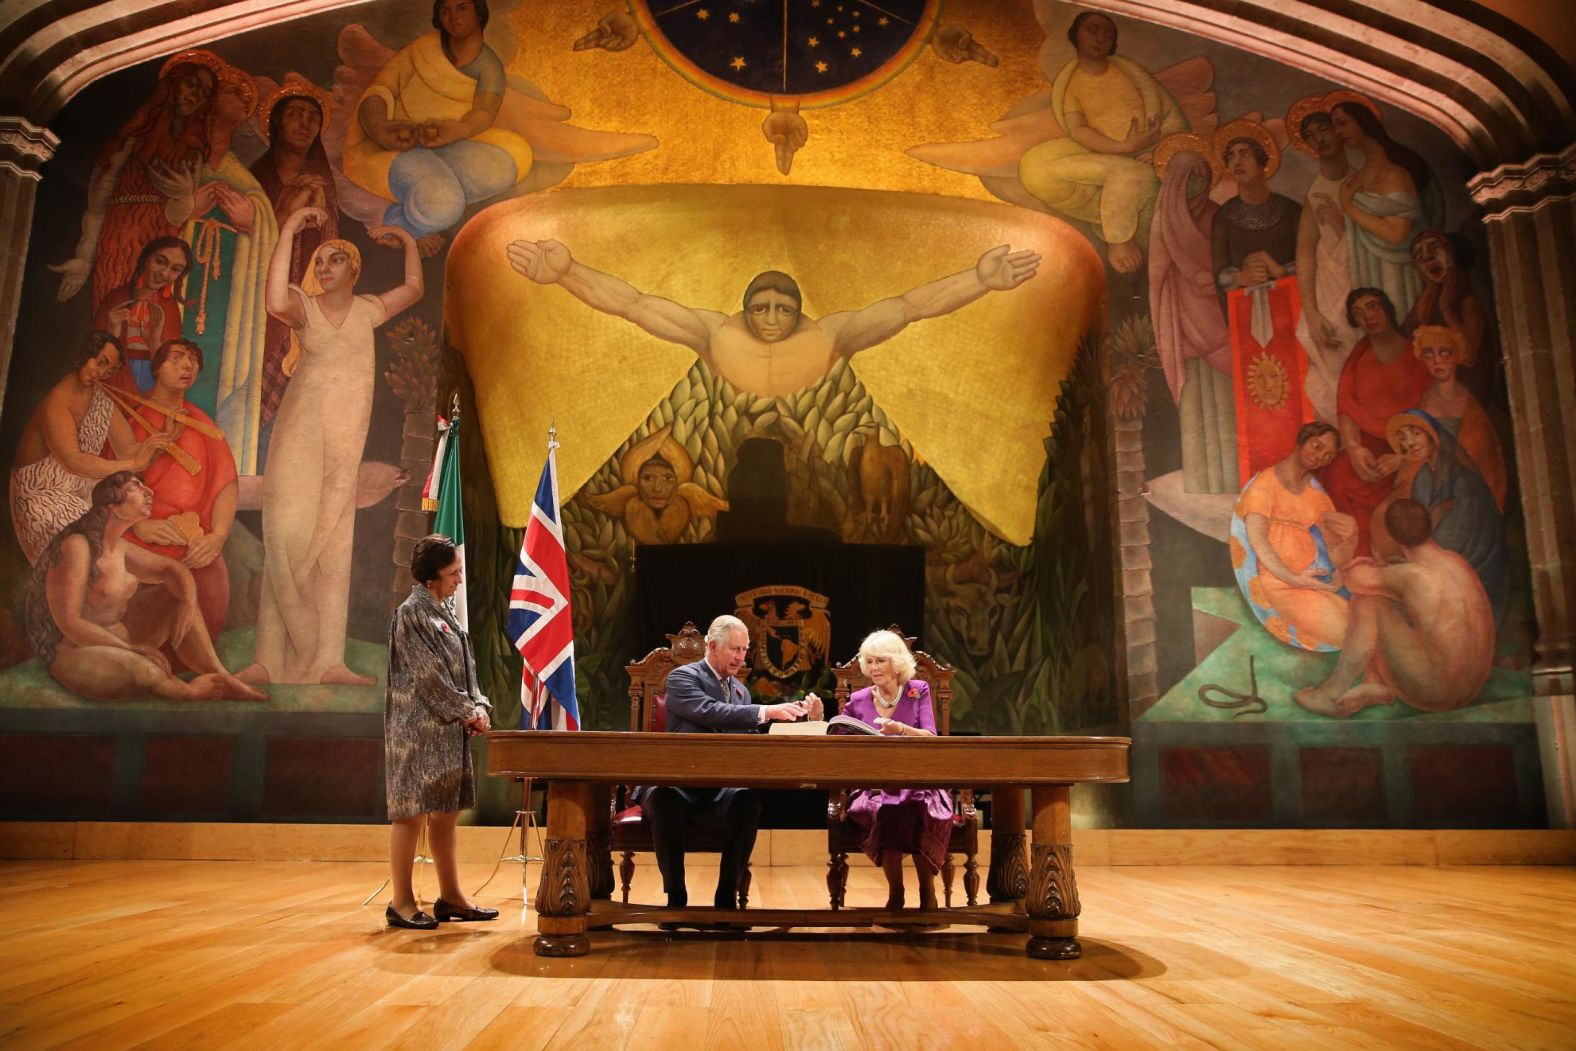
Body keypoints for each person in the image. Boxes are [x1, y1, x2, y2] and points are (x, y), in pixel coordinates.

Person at [240, 206, 421, 686]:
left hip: (346, 433)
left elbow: (415, 290)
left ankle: (328, 663)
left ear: (353, 269)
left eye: (334, 260)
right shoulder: (304, 306)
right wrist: (289, 229)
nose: (323, 268)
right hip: (301, 431)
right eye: (319, 262)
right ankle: (267, 657)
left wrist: (404, 239)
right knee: (286, 528)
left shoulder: (367, 311)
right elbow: (275, 298)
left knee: (336, 536)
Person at [505, 238, 1039, 397]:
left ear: (800, 312)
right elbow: (634, 303)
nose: (770, 318)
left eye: (783, 309)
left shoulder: (831, 335)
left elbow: (908, 307)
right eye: (760, 308)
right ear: (744, 309)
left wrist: (980, 281)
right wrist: (568, 272)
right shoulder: (714, 331)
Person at [23, 471, 266, 702]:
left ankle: (221, 675)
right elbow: (70, 622)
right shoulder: (77, 545)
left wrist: (188, 602)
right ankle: (189, 693)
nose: (148, 491)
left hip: (123, 644)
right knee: (147, 672)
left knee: (175, 597)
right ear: (112, 505)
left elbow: (173, 571)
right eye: (135, 488)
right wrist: (131, 649)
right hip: (75, 652)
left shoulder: (120, 547)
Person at [642, 614, 821, 920]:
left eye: (744, 650)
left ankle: (727, 896)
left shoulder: (741, 691)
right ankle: (676, 898)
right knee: (663, 800)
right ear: (712, 646)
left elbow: (750, 739)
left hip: (718, 791)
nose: (741, 658)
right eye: (735, 650)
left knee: (747, 801)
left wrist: (808, 722)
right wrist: (766, 711)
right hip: (681, 786)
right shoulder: (683, 677)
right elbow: (710, 712)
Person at [147, 60, 278, 470]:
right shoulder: (183, 155)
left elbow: (266, 226)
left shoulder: (244, 177)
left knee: (219, 371)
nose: (236, 99)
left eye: (244, 96)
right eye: (229, 91)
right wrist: (189, 208)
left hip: (227, 292)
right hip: (182, 281)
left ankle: (205, 466)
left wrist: (254, 220)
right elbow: (155, 213)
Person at [344, 0, 531, 252]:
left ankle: (425, 203)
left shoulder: (489, 65)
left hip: (447, 143)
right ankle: (397, 226)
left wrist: (458, 130)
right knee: (442, 204)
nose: (454, 17)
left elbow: (484, 111)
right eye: (446, 11)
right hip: (397, 146)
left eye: (462, 8)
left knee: (505, 164)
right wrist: (380, 129)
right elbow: (379, 91)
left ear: (479, 11)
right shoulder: (423, 49)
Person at [384, 534, 497, 929]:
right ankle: (400, 902)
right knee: (411, 814)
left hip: (448, 730)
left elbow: (467, 671)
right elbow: (428, 677)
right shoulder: (411, 613)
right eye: (453, 573)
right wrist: (467, 710)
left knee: (446, 813)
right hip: (417, 731)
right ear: (430, 577)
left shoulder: (445, 611)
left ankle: (450, 897)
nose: (459, 580)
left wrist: (479, 704)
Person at [1017, 11, 1187, 273]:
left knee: (1133, 175)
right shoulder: (1072, 82)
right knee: (1034, 165)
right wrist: (1122, 147)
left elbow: (1171, 120)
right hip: (1101, 152)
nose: (1101, 39)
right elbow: (1079, 130)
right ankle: (1108, 215)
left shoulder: (1131, 73)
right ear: (1076, 35)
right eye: (1093, 30)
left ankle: (1119, 239)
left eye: (1108, 34)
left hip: (1146, 156)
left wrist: (1158, 151)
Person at [51, 49, 220, 311]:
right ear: (174, 83)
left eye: (205, 92)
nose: (197, 95)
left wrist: (185, 196)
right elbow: (100, 196)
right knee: (114, 304)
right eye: (192, 84)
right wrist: (85, 255)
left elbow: (179, 218)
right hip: (121, 230)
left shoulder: (194, 149)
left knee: (149, 315)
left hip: (162, 238)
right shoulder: (138, 131)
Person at [1293, 498, 1493, 718]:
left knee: (1367, 602)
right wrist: (1385, 573)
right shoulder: (1454, 562)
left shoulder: (1412, 576)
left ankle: (1330, 694)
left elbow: (1354, 579)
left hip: (1435, 693)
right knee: (1390, 599)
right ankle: (1374, 684)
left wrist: (1349, 551)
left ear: (1394, 537)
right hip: (1470, 691)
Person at [9, 332, 174, 563]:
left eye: (111, 369)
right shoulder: (58, 400)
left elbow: (128, 451)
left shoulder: (102, 400)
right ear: (85, 356)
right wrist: (133, 464)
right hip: (43, 493)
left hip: (85, 491)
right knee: (92, 550)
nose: (103, 372)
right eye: (101, 362)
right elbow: (73, 461)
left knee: (121, 540)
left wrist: (163, 440)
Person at [124, 339, 239, 648]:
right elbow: (112, 481)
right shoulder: (133, 417)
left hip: (192, 541)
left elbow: (226, 483)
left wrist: (218, 535)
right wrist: (137, 525)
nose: (187, 366)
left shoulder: (203, 424)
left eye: (193, 361)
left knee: (212, 583)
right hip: (140, 536)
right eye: (176, 358)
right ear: (157, 367)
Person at [838, 629, 952, 912]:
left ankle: (928, 892)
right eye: (870, 661)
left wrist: (900, 729)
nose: (874, 667)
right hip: (874, 785)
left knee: (917, 805)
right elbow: (838, 739)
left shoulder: (918, 691)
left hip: (918, 781)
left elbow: (930, 737)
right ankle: (896, 892)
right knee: (885, 808)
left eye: (881, 660)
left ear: (897, 662)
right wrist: (817, 718)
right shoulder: (858, 700)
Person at [249, 79, 339, 433]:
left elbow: (330, 241)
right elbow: (250, 235)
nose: (305, 123)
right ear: (275, 124)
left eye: (313, 117)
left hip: (305, 294)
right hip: (257, 291)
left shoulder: (322, 182)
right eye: (295, 115)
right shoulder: (254, 178)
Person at [1317, 287, 1430, 555]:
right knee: (1338, 473)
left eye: (1372, 307)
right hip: (1370, 447)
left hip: (1412, 445)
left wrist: (1403, 457)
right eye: (1358, 312)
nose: (1366, 316)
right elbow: (1346, 408)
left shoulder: (1415, 352)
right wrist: (1355, 449)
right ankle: (1358, 556)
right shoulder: (1359, 358)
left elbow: (1431, 418)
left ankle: (1395, 557)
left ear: (1386, 308)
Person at [1229, 422, 1357, 651]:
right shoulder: (1265, 485)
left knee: (1360, 623)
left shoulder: (1316, 495)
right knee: (1346, 633)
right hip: (1277, 582)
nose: (1320, 457)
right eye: (1317, 446)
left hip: (1312, 582)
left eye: (1328, 456)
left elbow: (1335, 551)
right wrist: (1294, 578)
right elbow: (1257, 541)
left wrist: (1351, 538)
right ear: (1303, 440)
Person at [1374, 410, 1506, 618]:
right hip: (1435, 560)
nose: (1410, 443)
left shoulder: (1464, 482)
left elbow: (1464, 538)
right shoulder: (1424, 478)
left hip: (1473, 568)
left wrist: (1419, 559)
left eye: (1416, 434)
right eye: (1403, 438)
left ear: (1432, 434)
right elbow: (1418, 531)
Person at [1330, 99, 1435, 318]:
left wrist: (1348, 205)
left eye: (1342, 123)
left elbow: (1396, 235)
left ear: (1363, 121)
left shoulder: (1395, 172)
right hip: (1368, 271)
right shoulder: (1361, 175)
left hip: (1397, 273)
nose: (1338, 132)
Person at [1289, 105, 1359, 421]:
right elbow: (1305, 254)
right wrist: (1312, 312)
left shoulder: (1363, 180)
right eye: (1310, 136)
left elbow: (1380, 239)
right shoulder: (1316, 192)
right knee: (1329, 364)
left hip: (1360, 284)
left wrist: (1345, 225)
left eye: (1324, 129)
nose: (1319, 139)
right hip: (1329, 289)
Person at [1412, 323, 1505, 510]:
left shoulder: (1470, 406)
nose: (1437, 361)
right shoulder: (1423, 401)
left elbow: (1485, 458)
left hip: (1468, 491)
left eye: (1444, 352)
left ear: (1457, 356)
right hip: (1432, 487)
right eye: (1429, 354)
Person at [92, 236, 193, 394]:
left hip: (152, 382)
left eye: (175, 269)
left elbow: (172, 367)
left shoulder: (169, 307)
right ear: (146, 259)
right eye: (160, 262)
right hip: (114, 377)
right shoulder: (116, 298)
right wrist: (112, 333)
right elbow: (91, 359)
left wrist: (154, 340)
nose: (165, 274)